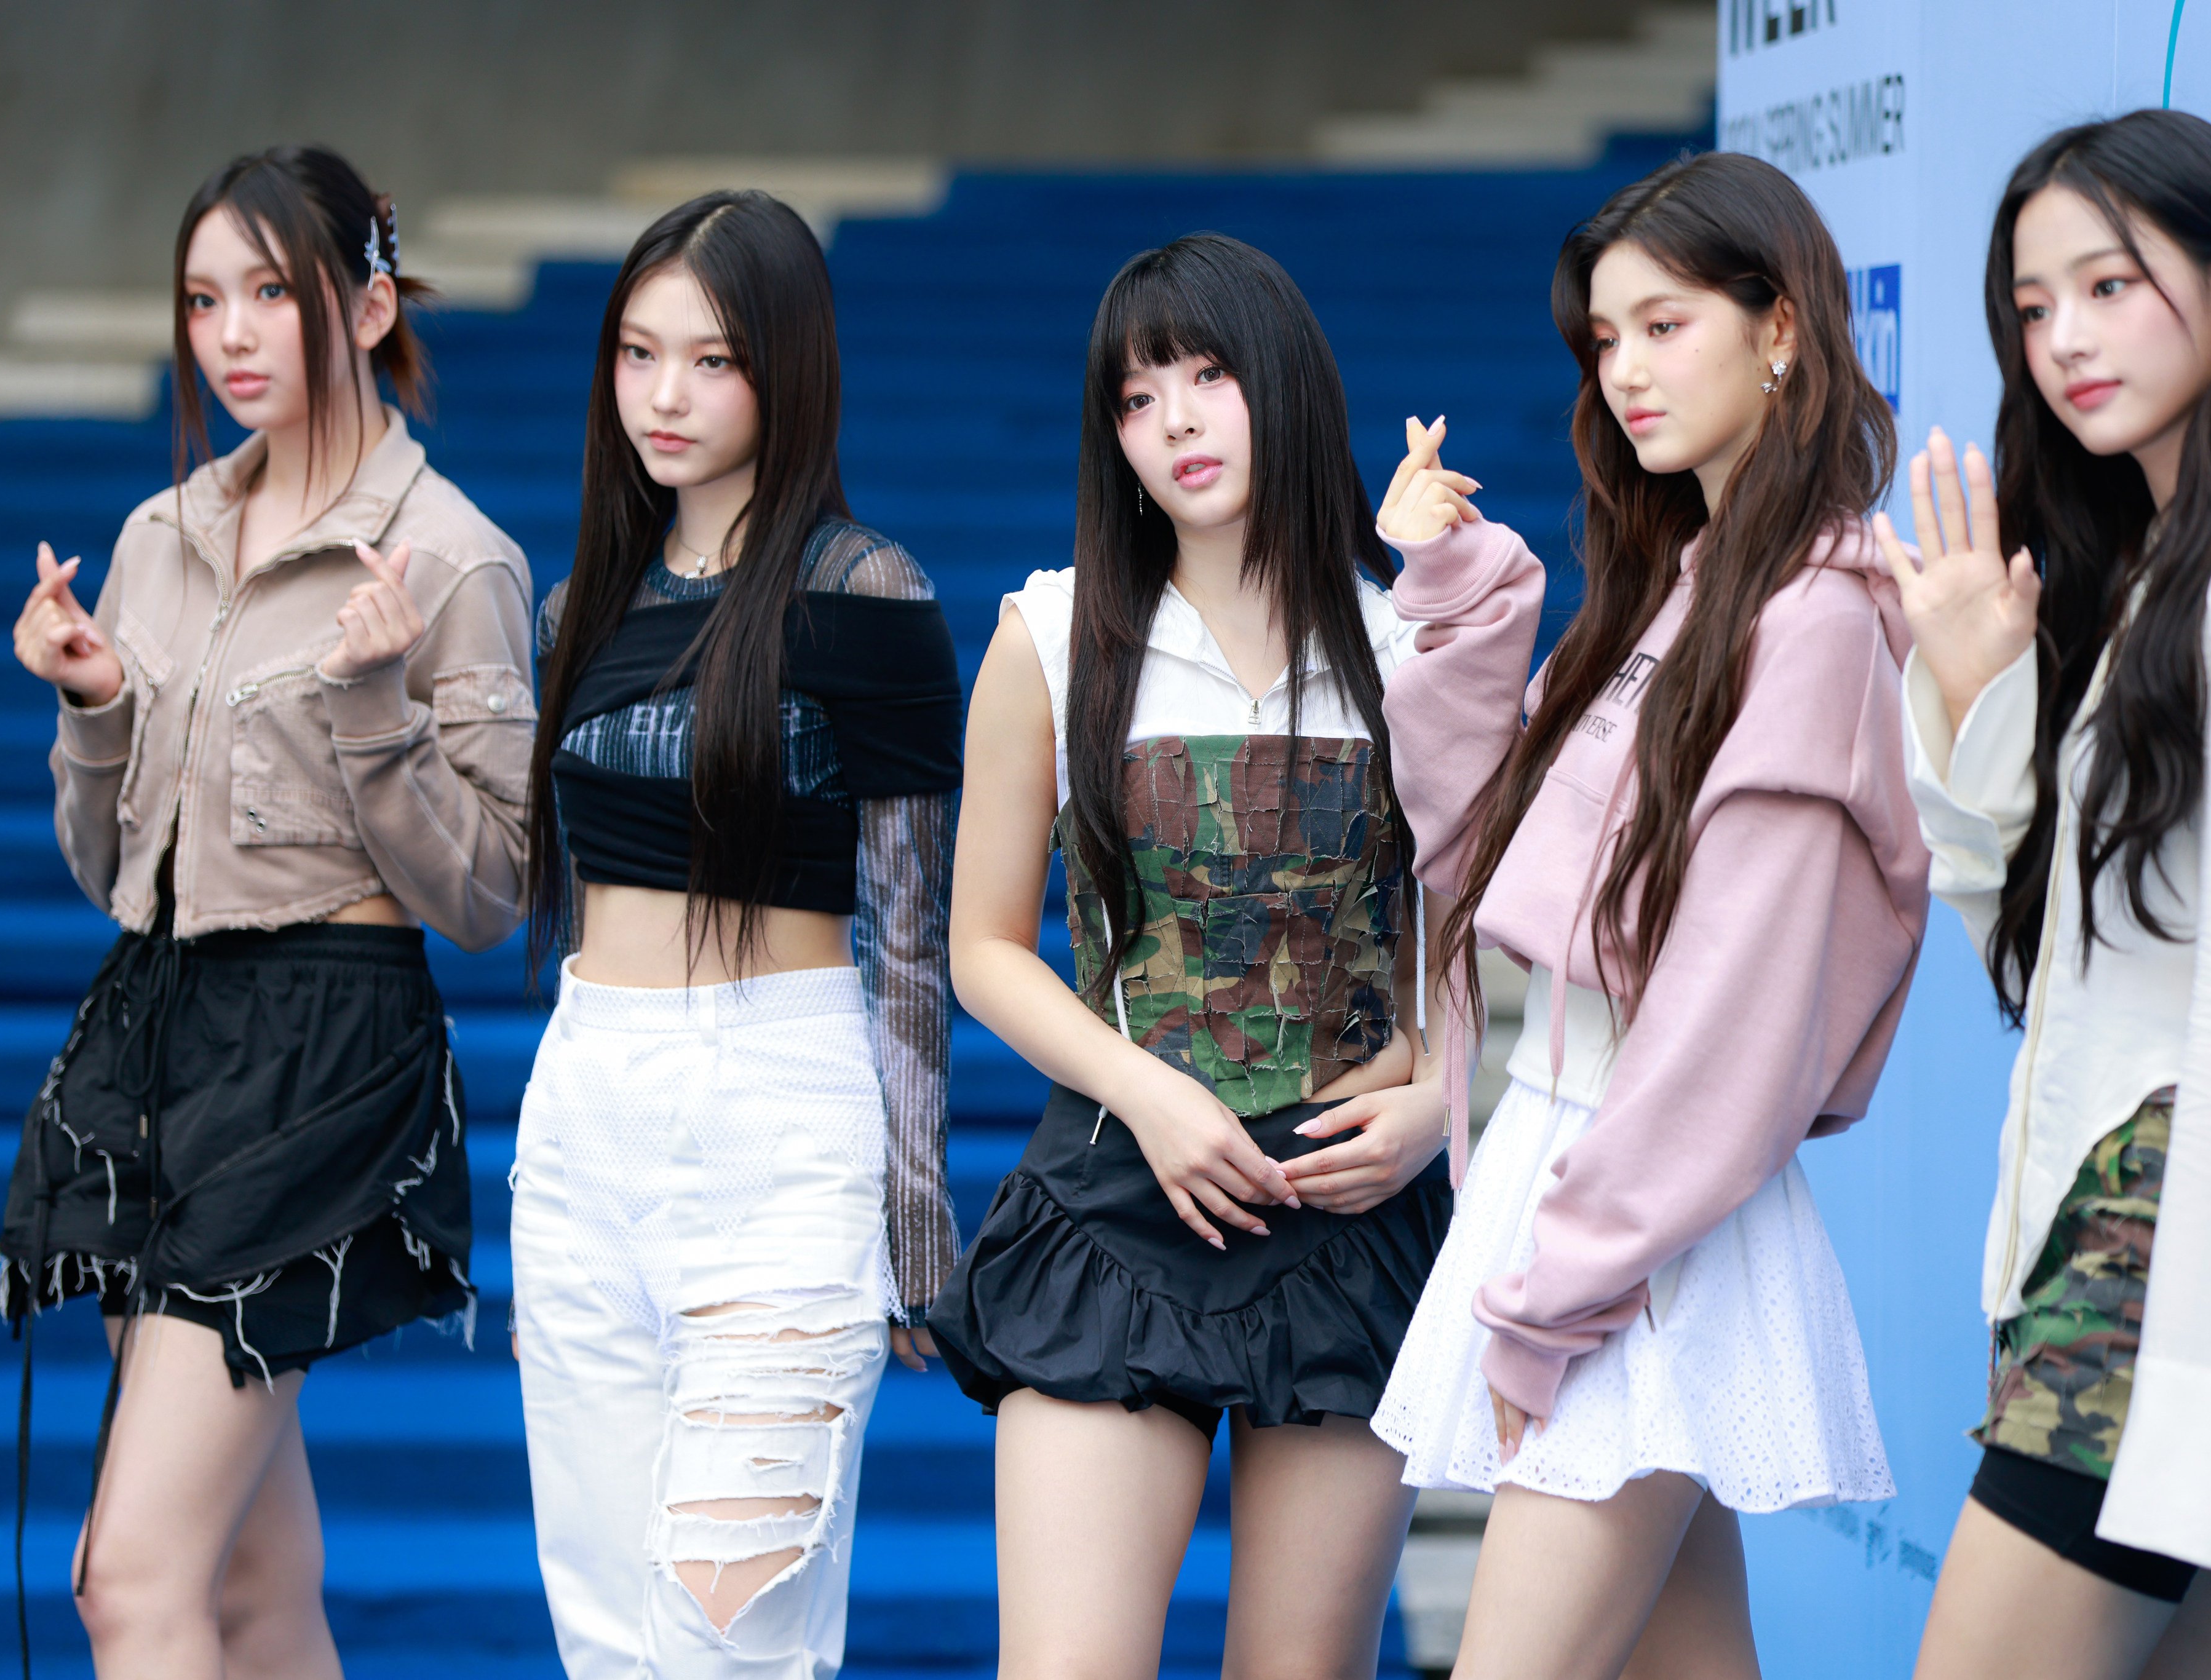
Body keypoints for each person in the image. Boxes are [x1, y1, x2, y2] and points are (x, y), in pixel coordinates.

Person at [1367, 152, 1929, 1680]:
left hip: (1635, 1225)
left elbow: (1732, 1019)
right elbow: (1462, 847)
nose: (1621, 370)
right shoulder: (1672, 587)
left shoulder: (1813, 616)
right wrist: (1458, 595)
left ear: (1781, 331)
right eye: (1601, 340)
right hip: (1587, 1181)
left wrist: (1551, 1295)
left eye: (1662, 325)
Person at [0, 145, 531, 1679]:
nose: (227, 335)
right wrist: (96, 708)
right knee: (241, 1587)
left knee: (126, 1578)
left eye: (269, 297)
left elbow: (490, 896)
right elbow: (111, 877)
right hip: (156, 1033)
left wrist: (374, 711)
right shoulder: (161, 535)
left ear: (366, 308)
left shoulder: (454, 558)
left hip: (320, 1044)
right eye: (200, 300)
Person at [1886, 111, 2211, 1679]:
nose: (2062, 340)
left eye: (2108, 285)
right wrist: (1977, 693)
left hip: (2183, 1257)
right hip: (2110, 1239)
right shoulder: (2159, 583)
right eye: (2031, 307)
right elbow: (2041, 961)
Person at [927, 232, 1452, 1680]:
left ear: (1278, 382)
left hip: (1346, 1208)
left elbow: (1474, 942)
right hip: (1118, 1197)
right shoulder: (1049, 633)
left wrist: (1432, 1101)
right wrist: (1148, 1097)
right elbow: (981, 948)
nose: (1175, 420)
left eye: (1208, 375)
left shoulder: (1411, 638)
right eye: (1138, 394)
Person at [512, 189, 960, 1680]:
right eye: (639, 354)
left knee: (728, 1622)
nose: (665, 395)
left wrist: (913, 1200)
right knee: (608, 1634)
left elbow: (909, 920)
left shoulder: (867, 591)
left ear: (786, 367)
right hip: (587, 1115)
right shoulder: (583, 601)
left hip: (780, 1116)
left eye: (711, 359)